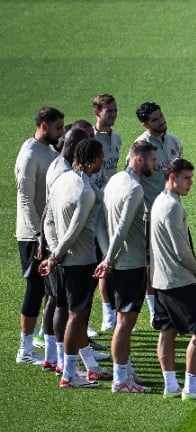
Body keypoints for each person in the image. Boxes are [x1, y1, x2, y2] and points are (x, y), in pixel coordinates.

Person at [40, 139, 108, 388]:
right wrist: (57, 255)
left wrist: (53, 253)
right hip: (79, 262)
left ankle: (90, 367)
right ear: (93, 159)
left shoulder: (63, 181)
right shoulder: (84, 190)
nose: (103, 161)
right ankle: (69, 374)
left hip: (60, 261)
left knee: (69, 312)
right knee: (77, 317)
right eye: (101, 157)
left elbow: (47, 220)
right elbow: (75, 230)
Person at [150, 158, 196, 400]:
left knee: (167, 332)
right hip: (178, 281)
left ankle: (171, 385)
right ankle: (191, 386)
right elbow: (181, 250)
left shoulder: (160, 201)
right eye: (186, 179)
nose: (191, 183)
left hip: (160, 281)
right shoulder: (173, 207)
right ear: (172, 178)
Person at [93, 140, 157, 392]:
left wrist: (107, 254)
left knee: (123, 320)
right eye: (152, 160)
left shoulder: (114, 181)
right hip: (129, 264)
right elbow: (122, 228)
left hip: (118, 262)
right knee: (124, 323)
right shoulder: (134, 189)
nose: (156, 165)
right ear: (139, 159)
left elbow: (100, 221)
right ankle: (120, 380)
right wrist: (109, 258)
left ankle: (126, 370)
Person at [15, 106, 63, 366]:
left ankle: (44, 339)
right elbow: (25, 199)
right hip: (32, 235)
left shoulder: (48, 149)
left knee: (50, 288)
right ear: (43, 126)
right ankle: (24, 348)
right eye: (57, 128)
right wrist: (37, 235)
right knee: (35, 288)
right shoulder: (29, 155)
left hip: (45, 233)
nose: (61, 133)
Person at [134, 101, 184, 326]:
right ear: (145, 124)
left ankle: (174, 306)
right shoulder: (140, 147)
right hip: (151, 216)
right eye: (154, 120)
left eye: (161, 116)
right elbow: (134, 178)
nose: (161, 121)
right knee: (151, 265)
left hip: (174, 213)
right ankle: (155, 310)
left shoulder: (174, 141)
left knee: (178, 257)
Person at [92, 94, 124, 332]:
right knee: (102, 259)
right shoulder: (89, 139)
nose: (113, 114)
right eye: (108, 111)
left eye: (114, 110)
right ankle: (107, 314)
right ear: (97, 111)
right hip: (92, 208)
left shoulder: (117, 139)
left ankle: (112, 312)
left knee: (111, 258)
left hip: (111, 206)